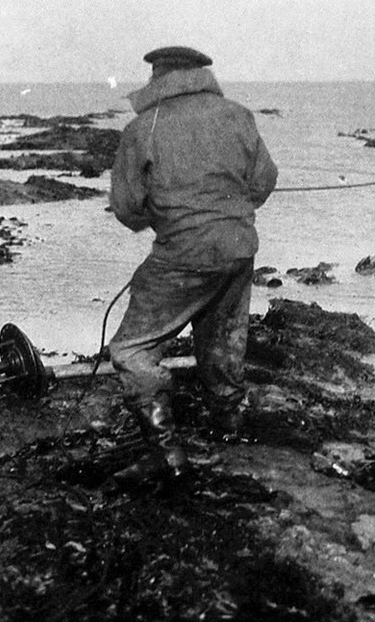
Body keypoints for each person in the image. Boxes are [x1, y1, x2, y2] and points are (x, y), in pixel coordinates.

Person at [108, 45, 278, 482]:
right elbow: (264, 181)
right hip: (239, 246)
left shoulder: (143, 127)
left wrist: (166, 217)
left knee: (131, 349)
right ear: (201, 75)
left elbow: (126, 208)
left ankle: (166, 453)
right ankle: (229, 425)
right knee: (222, 338)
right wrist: (226, 210)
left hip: (184, 252)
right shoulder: (238, 115)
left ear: (158, 78)